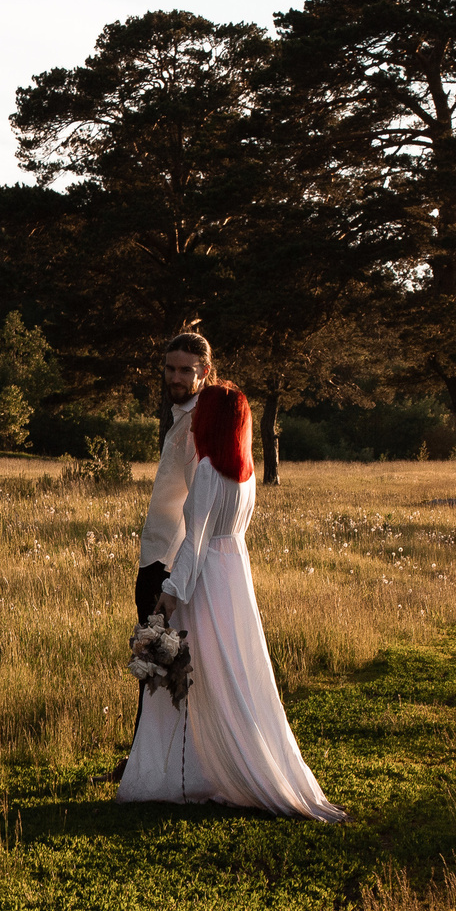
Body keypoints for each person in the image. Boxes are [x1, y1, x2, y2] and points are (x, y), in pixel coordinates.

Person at [119, 333, 346, 820]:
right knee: (228, 670)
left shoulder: (206, 471)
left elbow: (196, 540)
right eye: (170, 369)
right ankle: (206, 762)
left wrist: (170, 594)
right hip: (231, 578)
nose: (191, 404)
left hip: (199, 577)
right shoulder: (243, 475)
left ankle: (182, 770)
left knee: (189, 670)